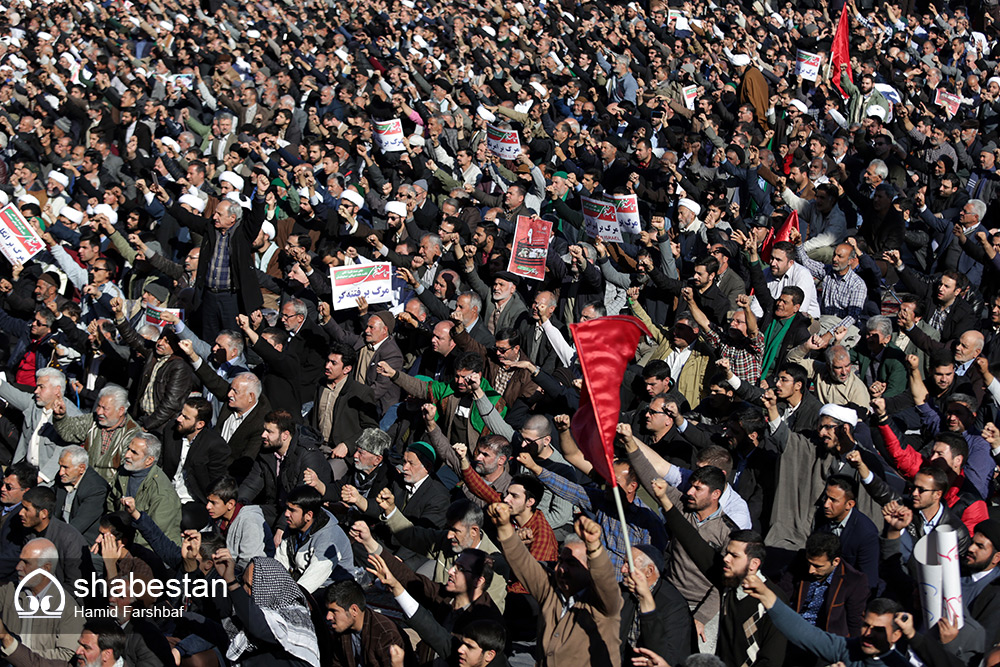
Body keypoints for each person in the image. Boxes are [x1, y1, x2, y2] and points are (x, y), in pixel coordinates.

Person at [488, 506, 622, 667]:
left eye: (571, 563)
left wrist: (594, 547)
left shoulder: (603, 604)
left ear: (590, 568)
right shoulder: (551, 590)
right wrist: (504, 527)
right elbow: (523, 564)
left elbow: (606, 582)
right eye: (560, 561)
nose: (560, 568)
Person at [212, 551, 321, 667]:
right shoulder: (248, 618)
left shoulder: (296, 618)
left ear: (267, 590)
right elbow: (214, 608)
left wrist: (232, 583)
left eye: (248, 585)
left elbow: (260, 626)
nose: (244, 590)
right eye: (242, 583)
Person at [2, 368, 81, 483]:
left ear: (57, 390)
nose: (36, 391)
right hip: (25, 469)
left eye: (41, 387)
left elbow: (64, 449)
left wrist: (41, 477)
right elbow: (9, 392)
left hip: (49, 479)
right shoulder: (34, 403)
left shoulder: (72, 416)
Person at [105, 432, 182, 548]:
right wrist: (108, 534)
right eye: (128, 449)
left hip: (151, 551)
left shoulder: (162, 492)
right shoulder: (124, 472)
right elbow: (111, 504)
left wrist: (124, 550)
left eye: (134, 453)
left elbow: (154, 534)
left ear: (149, 460)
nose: (126, 455)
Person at [276, 485, 357, 592]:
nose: (286, 514)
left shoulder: (330, 537)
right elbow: (280, 563)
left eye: (292, 510)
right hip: (301, 581)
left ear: (309, 515)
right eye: (287, 508)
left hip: (331, 590)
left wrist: (285, 597)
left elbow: (310, 582)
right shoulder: (294, 524)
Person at [325, 580, 410, 667]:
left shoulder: (385, 635)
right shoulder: (342, 628)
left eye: (334, 611)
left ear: (354, 610)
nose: (328, 617)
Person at [53, 445, 110, 544]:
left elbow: (78, 525)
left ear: (81, 468)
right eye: (60, 466)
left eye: (65, 467)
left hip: (84, 543)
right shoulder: (62, 479)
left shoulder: (96, 489)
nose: (61, 472)